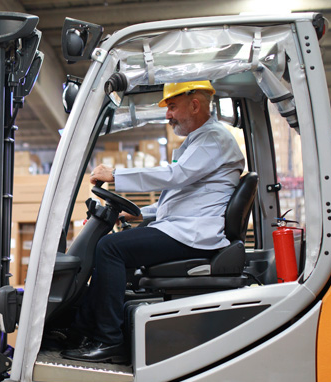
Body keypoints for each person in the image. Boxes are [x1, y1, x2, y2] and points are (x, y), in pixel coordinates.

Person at [61, 80, 246, 363]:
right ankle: (80, 328)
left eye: (172, 106)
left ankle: (108, 340)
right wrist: (138, 213)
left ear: (194, 105)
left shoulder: (214, 139)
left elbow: (176, 176)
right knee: (113, 247)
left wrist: (117, 175)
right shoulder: (200, 141)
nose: (167, 115)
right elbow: (179, 197)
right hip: (184, 227)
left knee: (111, 248)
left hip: (194, 234)